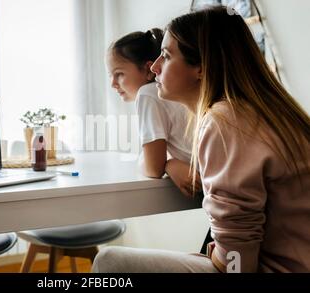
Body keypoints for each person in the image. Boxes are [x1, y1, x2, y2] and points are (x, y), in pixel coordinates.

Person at [93, 6, 310, 273]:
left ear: (201, 67)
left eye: (167, 56)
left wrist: (213, 258)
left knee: (110, 262)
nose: (156, 67)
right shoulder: (264, 111)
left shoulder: (224, 122)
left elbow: (236, 257)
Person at [107, 28, 201, 197]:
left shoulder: (148, 94)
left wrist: (168, 164)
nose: (113, 83)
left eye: (119, 74)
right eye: (111, 75)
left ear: (149, 69)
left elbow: (153, 169)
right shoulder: (174, 93)